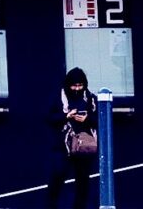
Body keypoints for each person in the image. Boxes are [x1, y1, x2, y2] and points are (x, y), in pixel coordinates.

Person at [48, 68, 99, 209]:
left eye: (80, 85)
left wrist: (86, 119)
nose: (77, 89)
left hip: (83, 145)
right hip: (62, 146)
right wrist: (66, 116)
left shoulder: (90, 98)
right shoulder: (58, 98)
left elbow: (99, 119)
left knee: (83, 182)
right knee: (57, 178)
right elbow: (48, 118)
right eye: (74, 85)